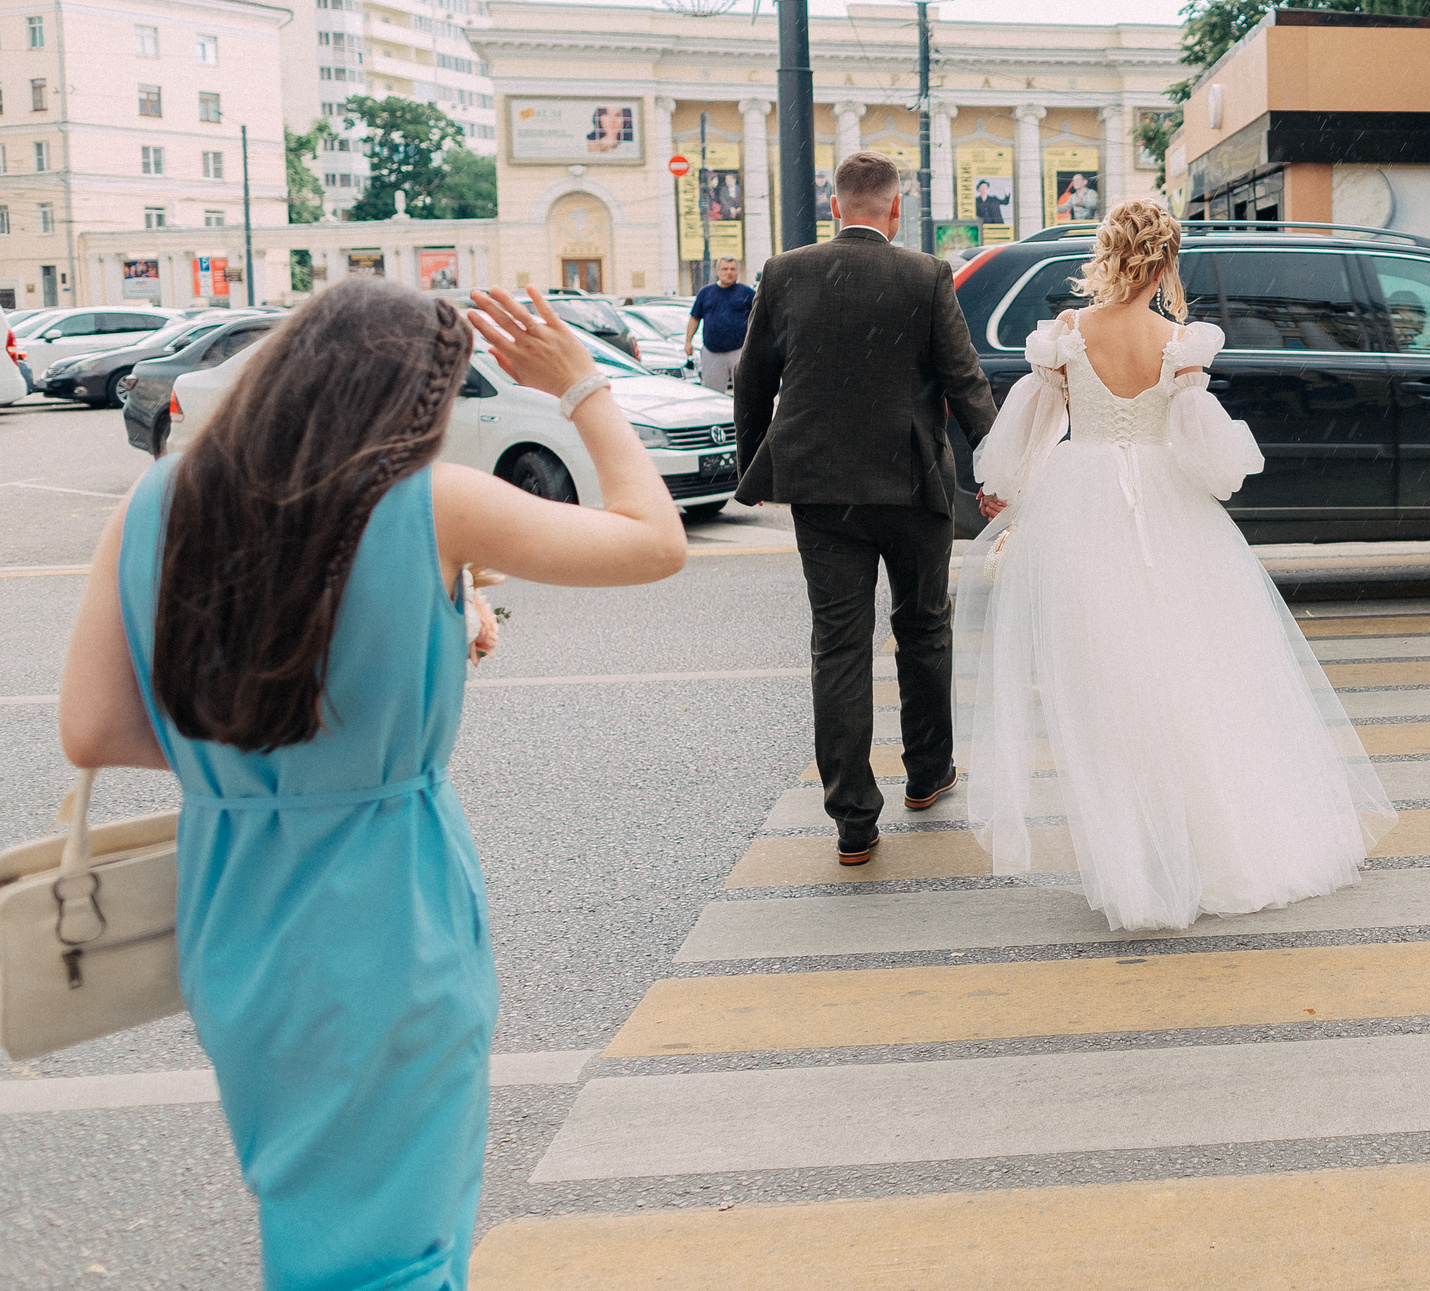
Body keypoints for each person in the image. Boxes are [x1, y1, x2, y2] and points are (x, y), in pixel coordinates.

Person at [55, 280, 686, 1289]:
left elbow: (93, 730)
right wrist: (582, 392)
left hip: (235, 920)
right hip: (389, 910)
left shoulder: (160, 498)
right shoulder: (423, 500)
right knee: (397, 1248)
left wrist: (260, 762)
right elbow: (655, 544)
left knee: (315, 1225)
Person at [962, 200, 1397, 931]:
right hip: (1167, 509)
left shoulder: (1065, 335)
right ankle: (1205, 843)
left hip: (1080, 507)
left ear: (1107, 254)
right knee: (1190, 674)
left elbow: (1031, 430)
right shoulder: (1179, 341)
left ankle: (1134, 857)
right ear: (1165, 260)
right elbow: (1210, 456)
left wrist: (1003, 489)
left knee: (1103, 688)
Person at [731, 150, 1000, 868]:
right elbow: (964, 379)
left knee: (839, 647)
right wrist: (999, 465)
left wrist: (756, 467)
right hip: (913, 487)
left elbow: (753, 382)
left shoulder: (785, 273)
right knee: (922, 628)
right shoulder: (924, 274)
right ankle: (925, 772)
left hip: (821, 490)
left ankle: (854, 820)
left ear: (834, 208)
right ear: (894, 210)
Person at [684, 257, 755, 394]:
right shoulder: (705, 293)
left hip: (740, 351)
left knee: (745, 393)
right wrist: (688, 341)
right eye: (725, 269)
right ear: (717, 271)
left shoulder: (747, 293)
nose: (729, 272)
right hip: (712, 352)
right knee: (712, 394)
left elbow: (759, 318)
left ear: (737, 271)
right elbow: (695, 318)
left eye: (732, 269)